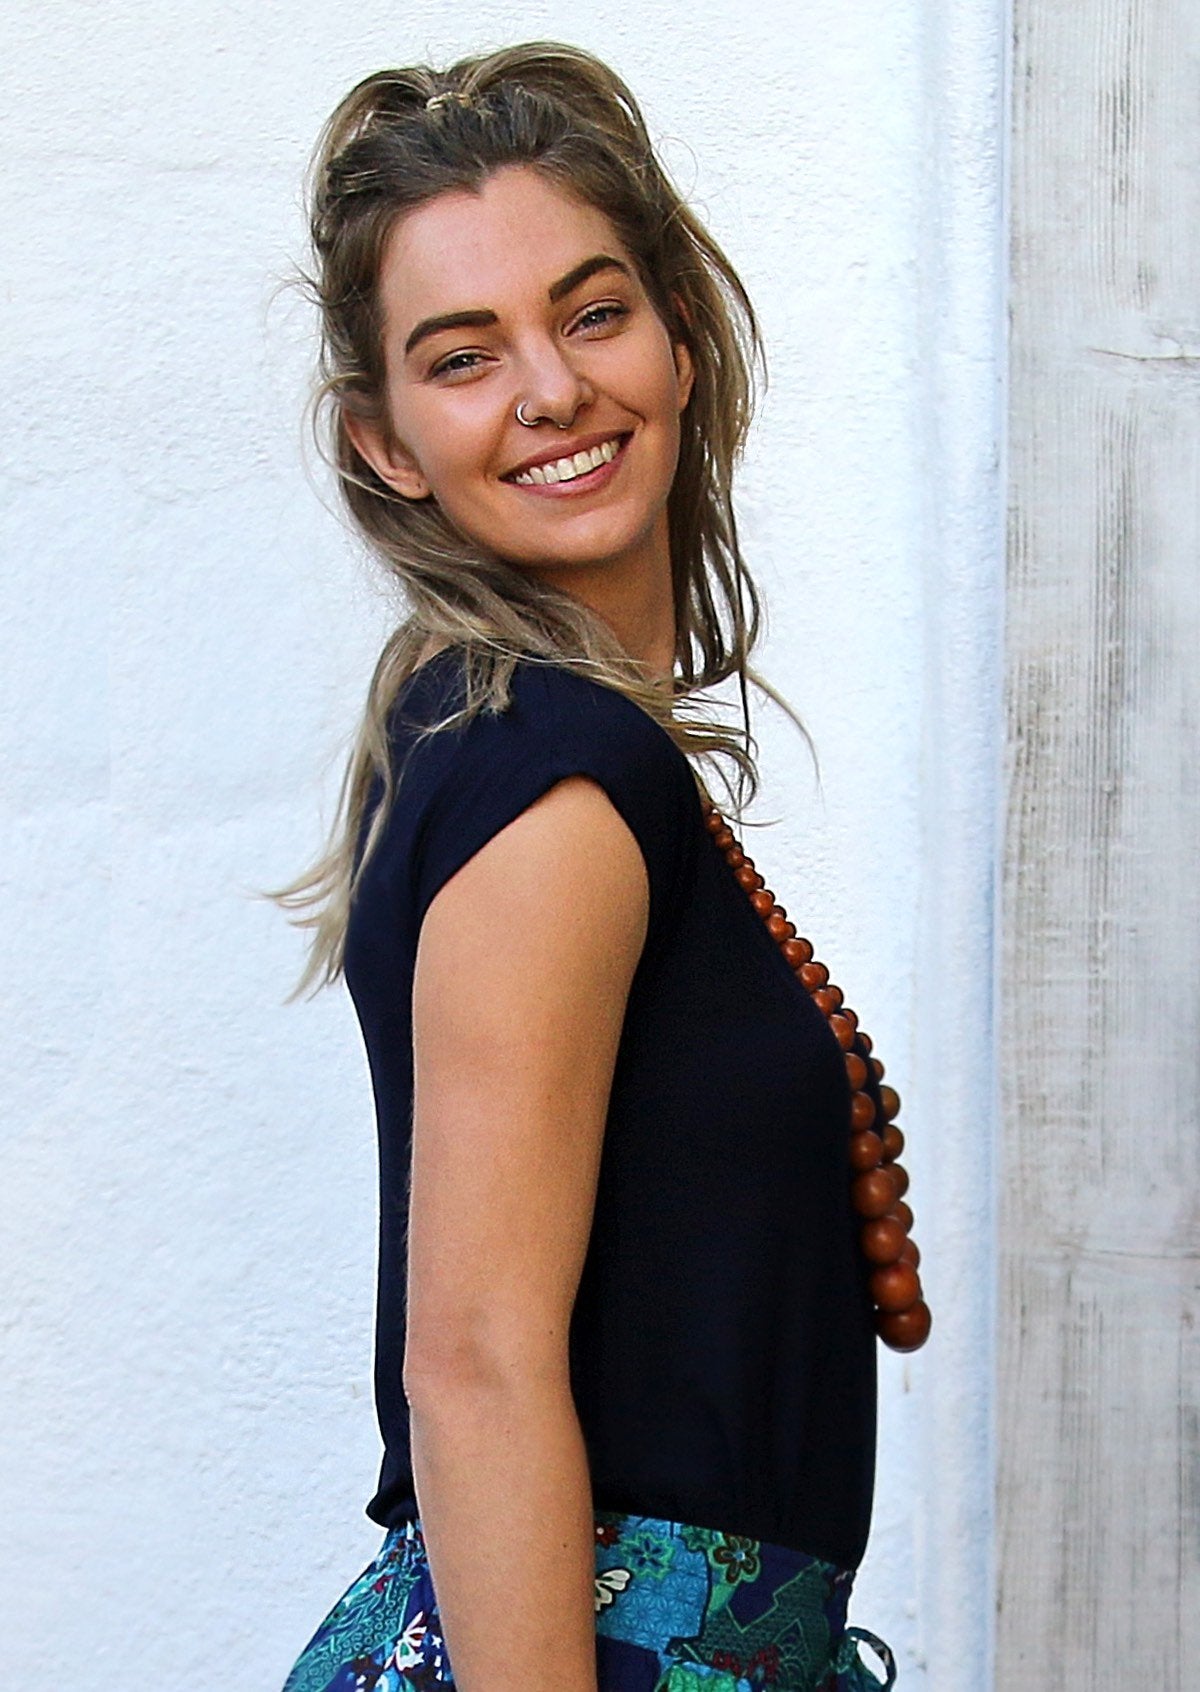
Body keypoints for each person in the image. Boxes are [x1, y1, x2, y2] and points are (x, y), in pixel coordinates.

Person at [273, 40, 906, 1692]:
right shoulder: (556, 774)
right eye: (464, 356)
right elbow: (473, 1361)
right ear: (387, 441)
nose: (551, 389)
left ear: (680, 342)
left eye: (593, 311)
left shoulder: (516, 744)